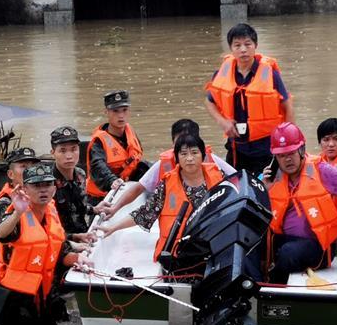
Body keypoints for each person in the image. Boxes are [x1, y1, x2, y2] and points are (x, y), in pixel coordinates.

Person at [0, 162, 86, 325]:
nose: (43, 190)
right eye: (36, 185)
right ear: (25, 189)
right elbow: (2, 234)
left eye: (47, 184)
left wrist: (79, 259)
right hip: (19, 303)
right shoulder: (16, 214)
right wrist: (17, 213)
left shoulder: (51, 212)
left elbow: (60, 253)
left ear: (54, 188)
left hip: (46, 297)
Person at [100, 134, 225, 264]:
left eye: (194, 153)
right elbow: (145, 213)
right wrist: (113, 228)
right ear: (177, 157)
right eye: (183, 154)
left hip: (212, 247)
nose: (189, 158)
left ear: (203, 155)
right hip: (176, 253)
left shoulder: (219, 177)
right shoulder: (167, 183)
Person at [265, 123, 337, 284]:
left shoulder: (322, 170)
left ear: (301, 150)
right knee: (250, 243)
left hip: (318, 246)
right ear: (275, 158)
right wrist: (265, 189)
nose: (287, 159)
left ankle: (272, 285)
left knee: (287, 253)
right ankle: (248, 285)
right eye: (281, 156)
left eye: (291, 153)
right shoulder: (272, 176)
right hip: (284, 239)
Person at [97, 119, 236, 219]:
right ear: (173, 144)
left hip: (207, 217)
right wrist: (114, 209)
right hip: (176, 221)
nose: (188, 155)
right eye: (180, 145)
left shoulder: (212, 161)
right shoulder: (163, 167)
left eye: (191, 148)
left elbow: (238, 179)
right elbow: (139, 192)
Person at [205, 23, 293, 175]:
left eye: (247, 44)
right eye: (237, 45)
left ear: (255, 45)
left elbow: (287, 104)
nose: (243, 50)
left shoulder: (270, 75)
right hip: (236, 147)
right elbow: (209, 101)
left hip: (266, 147)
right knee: (235, 185)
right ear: (231, 48)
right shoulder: (222, 74)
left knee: (267, 186)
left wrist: (288, 138)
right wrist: (223, 122)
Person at [0, 146, 38, 283]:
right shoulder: (4, 202)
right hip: (3, 270)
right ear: (11, 174)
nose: (29, 171)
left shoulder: (38, 197)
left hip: (28, 265)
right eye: (23, 167)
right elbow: (5, 236)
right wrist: (17, 212)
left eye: (32, 166)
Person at [86, 89, 146, 204]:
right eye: (115, 111)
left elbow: (137, 160)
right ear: (106, 112)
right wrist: (112, 181)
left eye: (124, 110)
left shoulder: (130, 132)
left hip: (126, 191)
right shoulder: (99, 141)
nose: (121, 116)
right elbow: (98, 167)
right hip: (101, 198)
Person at [49, 126, 94, 245]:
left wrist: (95, 209)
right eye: (63, 151)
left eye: (74, 149)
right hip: (60, 243)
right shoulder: (47, 183)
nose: (69, 156)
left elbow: (79, 205)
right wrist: (73, 238)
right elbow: (45, 225)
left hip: (84, 235)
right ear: (53, 153)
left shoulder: (80, 174)